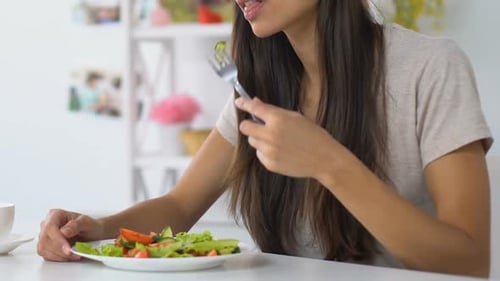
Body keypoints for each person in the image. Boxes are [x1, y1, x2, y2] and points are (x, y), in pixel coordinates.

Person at [37, 0, 493, 277]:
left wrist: (330, 164)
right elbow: (179, 207)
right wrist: (93, 230)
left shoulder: (430, 69)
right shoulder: (257, 89)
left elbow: (468, 262)